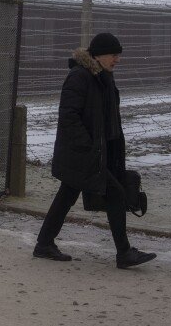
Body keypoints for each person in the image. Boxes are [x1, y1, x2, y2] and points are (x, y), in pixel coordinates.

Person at [33, 32, 156, 269]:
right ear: (98, 56)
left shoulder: (103, 77)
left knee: (67, 195)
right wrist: (89, 146)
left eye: (118, 55)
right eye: (113, 55)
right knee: (115, 194)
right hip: (83, 154)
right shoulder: (80, 77)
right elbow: (68, 116)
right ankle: (124, 253)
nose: (117, 59)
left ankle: (44, 243)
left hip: (94, 153)